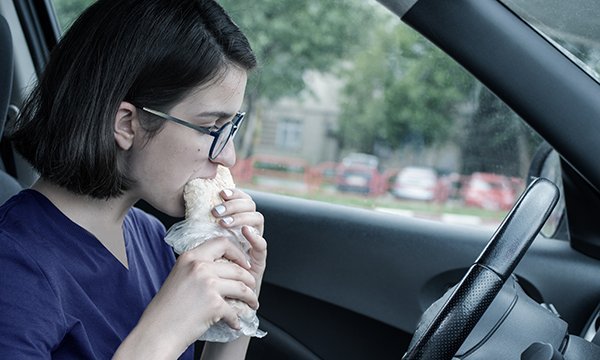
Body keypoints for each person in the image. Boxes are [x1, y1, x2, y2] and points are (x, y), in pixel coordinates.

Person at [0, 0, 267, 358]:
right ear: (126, 124)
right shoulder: (14, 265)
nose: (228, 156)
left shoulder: (153, 238)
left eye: (231, 126)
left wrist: (241, 297)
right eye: (210, 128)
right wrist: (161, 333)